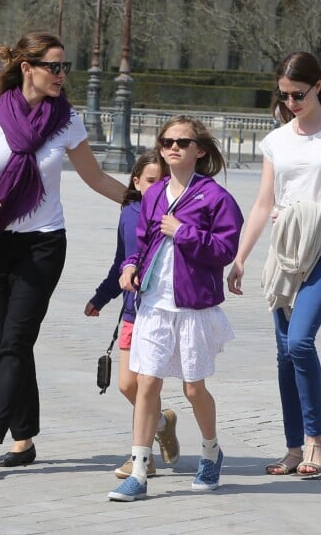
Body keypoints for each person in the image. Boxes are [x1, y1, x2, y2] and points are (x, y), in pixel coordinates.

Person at [0, 31, 127, 472]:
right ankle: (25, 440)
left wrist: (144, 200)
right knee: (3, 341)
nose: (63, 75)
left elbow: (95, 178)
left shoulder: (67, 121)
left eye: (66, 67)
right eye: (55, 66)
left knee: (14, 341)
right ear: (27, 68)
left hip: (43, 244)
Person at [227, 51, 321, 477]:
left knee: (299, 344)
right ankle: (293, 448)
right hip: (285, 257)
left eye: (298, 94)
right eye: (285, 95)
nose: (291, 102)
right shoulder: (277, 140)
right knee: (283, 355)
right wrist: (240, 257)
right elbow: (262, 204)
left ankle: (315, 441)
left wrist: (305, 215)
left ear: (318, 87)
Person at [107, 115, 244, 501]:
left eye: (182, 142)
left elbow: (224, 249)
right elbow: (139, 241)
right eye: (167, 141)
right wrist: (129, 266)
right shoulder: (153, 193)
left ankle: (211, 450)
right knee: (147, 382)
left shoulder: (216, 197)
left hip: (193, 305)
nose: (172, 148)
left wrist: (184, 232)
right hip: (152, 303)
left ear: (199, 151)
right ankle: (138, 470)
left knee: (193, 388)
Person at [84, 150, 180, 479]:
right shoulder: (128, 212)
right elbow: (120, 260)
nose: (157, 187)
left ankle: (143, 458)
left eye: (163, 181)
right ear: (136, 182)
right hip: (131, 311)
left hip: (159, 311)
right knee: (127, 385)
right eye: (151, 181)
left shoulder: (173, 216)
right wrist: (101, 296)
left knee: (145, 385)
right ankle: (164, 422)